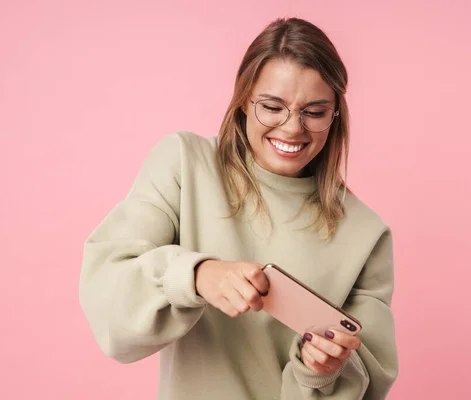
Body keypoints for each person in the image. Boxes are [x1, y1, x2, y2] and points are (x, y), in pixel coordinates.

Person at [79, 17, 398, 399]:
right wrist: (195, 275)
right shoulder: (184, 164)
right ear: (244, 102)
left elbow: (371, 383)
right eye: (272, 106)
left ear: (335, 116)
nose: (292, 128)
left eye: (314, 112)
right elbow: (108, 297)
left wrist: (321, 372)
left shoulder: (364, 233)